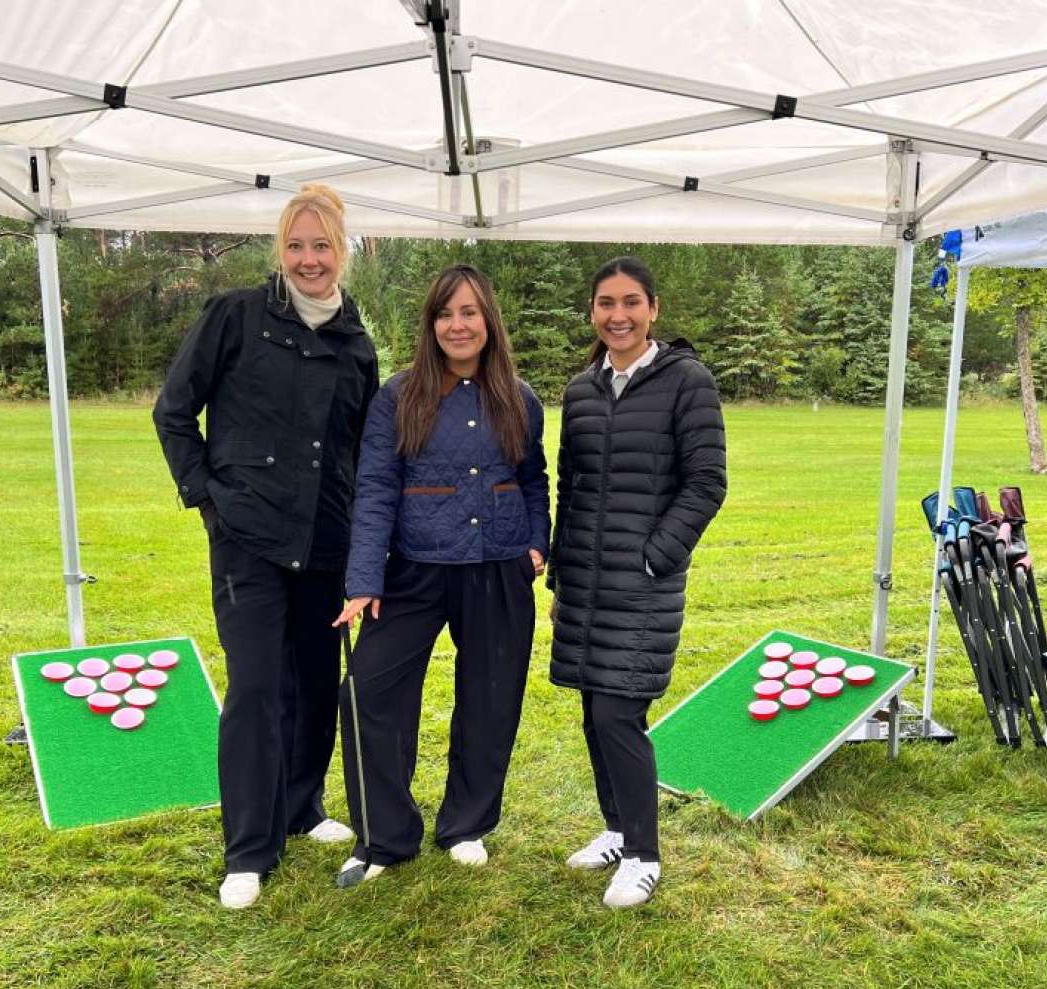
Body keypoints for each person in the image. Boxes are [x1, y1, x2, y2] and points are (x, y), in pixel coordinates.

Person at [153, 184, 379, 910]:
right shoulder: (235, 315)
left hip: (326, 542)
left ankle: (301, 806)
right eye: (296, 246)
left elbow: (356, 452)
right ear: (280, 250)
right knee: (255, 688)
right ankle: (249, 848)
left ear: (343, 252)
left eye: (322, 246)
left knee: (313, 683)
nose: (310, 260)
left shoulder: (357, 345)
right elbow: (174, 412)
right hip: (247, 539)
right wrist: (207, 499)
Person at [332, 264, 550, 887]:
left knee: (491, 698)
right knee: (368, 692)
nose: (458, 325)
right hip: (413, 571)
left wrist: (537, 544)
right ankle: (384, 837)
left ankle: (466, 824)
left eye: (469, 312)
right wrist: (364, 579)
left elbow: (533, 477)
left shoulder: (519, 398)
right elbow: (376, 487)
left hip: (498, 568)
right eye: (446, 314)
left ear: (488, 322)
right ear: (431, 324)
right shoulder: (398, 397)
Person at [547, 256, 727, 909]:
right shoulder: (581, 390)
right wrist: (560, 575)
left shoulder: (687, 382)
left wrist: (656, 558)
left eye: (630, 302)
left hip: (643, 585)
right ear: (592, 312)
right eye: (606, 303)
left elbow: (706, 483)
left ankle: (644, 855)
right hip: (584, 585)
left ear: (652, 309)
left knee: (618, 713)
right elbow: (569, 488)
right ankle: (618, 830)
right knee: (593, 711)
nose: (617, 315)